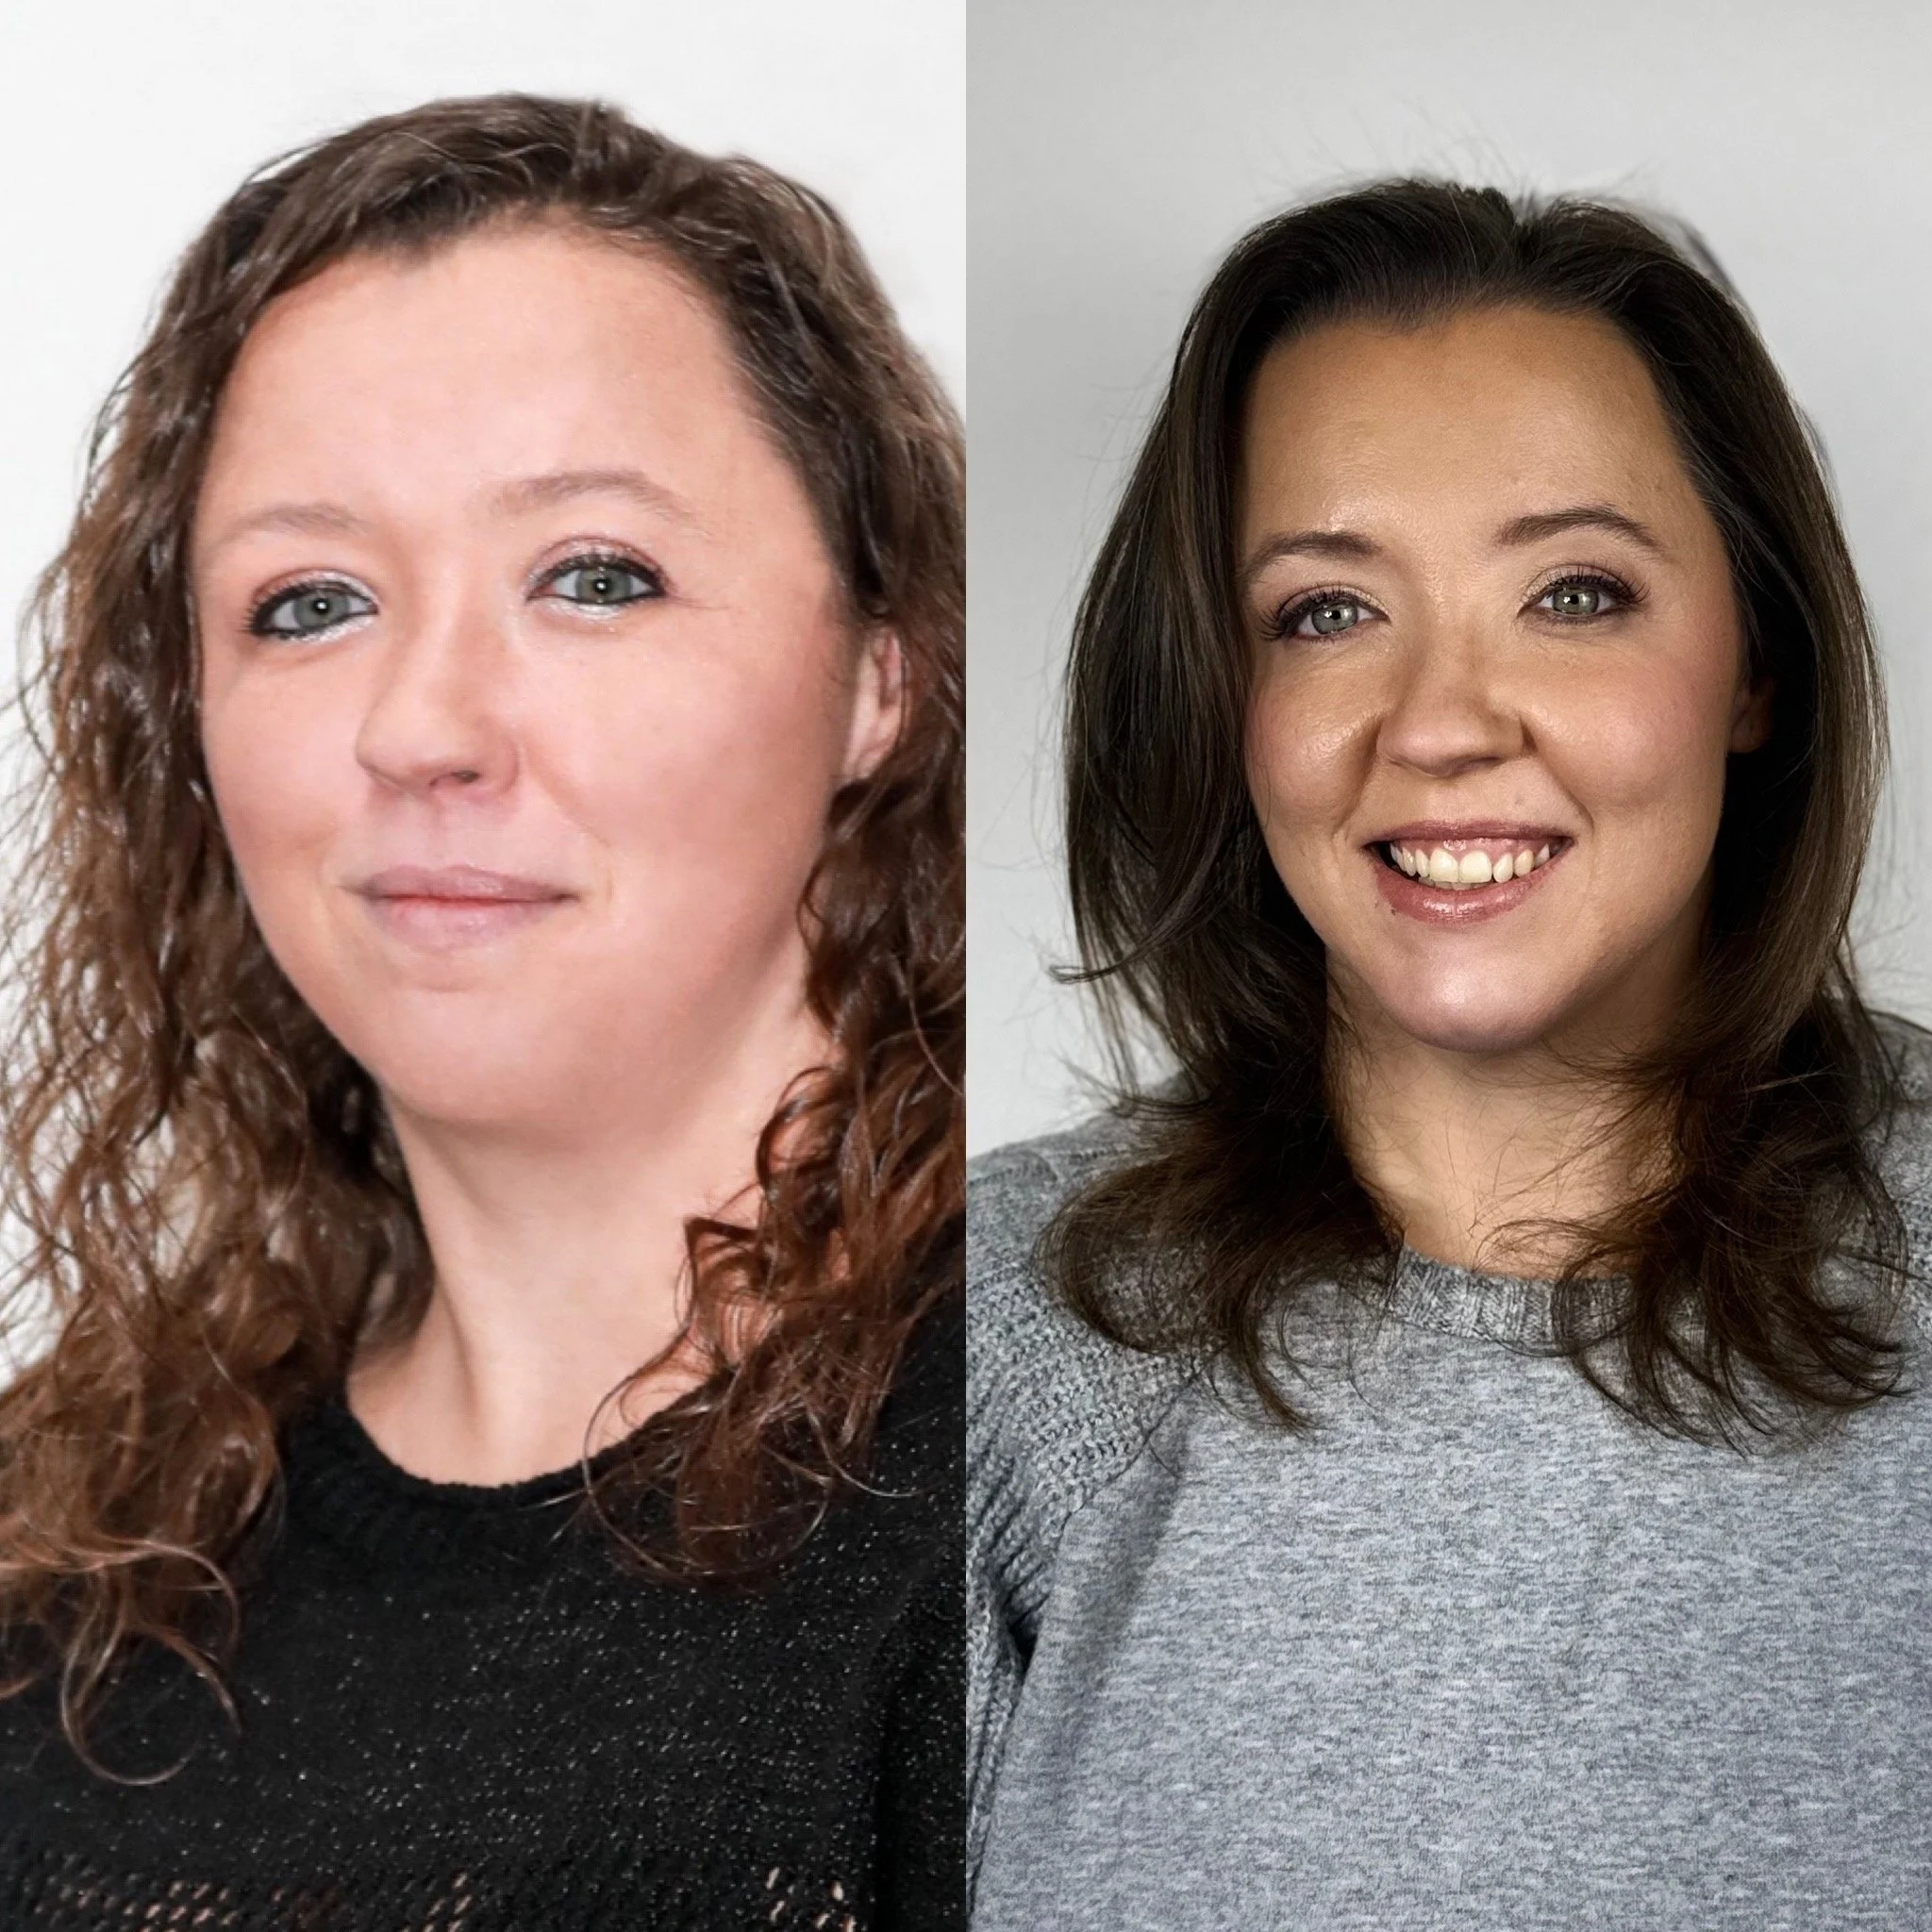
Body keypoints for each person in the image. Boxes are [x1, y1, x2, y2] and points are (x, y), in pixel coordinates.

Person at [0, 93, 963, 1930]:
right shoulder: (68, 1599)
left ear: (879, 678)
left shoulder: (1044, 1499)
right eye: (310, 602)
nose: (422, 725)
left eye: (591, 576)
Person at [968, 179, 1932, 1928]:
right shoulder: (995, 1327)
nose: (1441, 723)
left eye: (1575, 592)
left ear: (1757, 668)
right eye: (1327, 612)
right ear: (1217, 695)